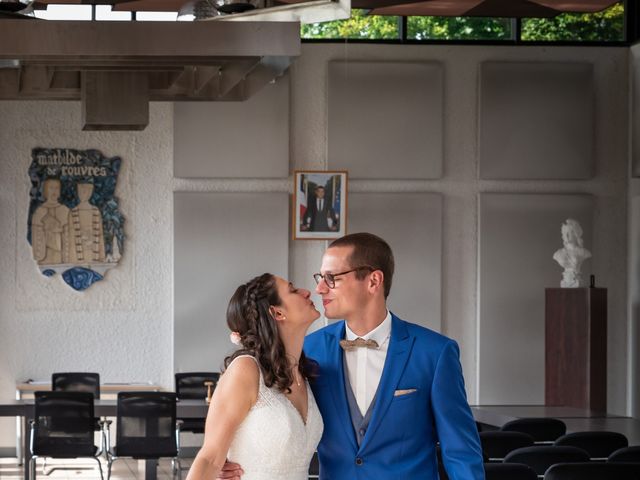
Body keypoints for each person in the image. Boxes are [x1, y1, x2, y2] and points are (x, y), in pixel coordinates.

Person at [220, 233, 484, 480]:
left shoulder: (435, 353)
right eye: (320, 278)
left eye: (332, 278)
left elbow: (460, 452)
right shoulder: (307, 350)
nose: (320, 289)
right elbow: (262, 405)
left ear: (373, 281)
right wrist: (224, 459)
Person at [186, 273, 324, 480]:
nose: (307, 292)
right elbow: (210, 458)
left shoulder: (303, 373)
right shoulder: (246, 370)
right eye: (294, 290)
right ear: (277, 312)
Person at [31, 178, 70, 265]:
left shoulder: (64, 210)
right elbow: (36, 235)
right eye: (51, 188)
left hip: (61, 254)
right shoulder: (39, 211)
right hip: (45, 254)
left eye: (57, 188)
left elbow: (68, 235)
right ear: (45, 190)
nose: (54, 191)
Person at [68, 183, 106, 264]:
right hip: (77, 257)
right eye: (80, 191)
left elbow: (100, 235)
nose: (82, 194)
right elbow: (71, 237)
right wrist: (72, 258)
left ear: (90, 192)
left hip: (93, 255)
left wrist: (101, 256)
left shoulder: (95, 211)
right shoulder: (73, 212)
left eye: (85, 191)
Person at [553, 218, 591, 288]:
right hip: (565, 280)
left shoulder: (583, 252)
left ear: (576, 234)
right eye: (564, 232)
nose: (566, 235)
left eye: (569, 232)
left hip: (576, 279)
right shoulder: (558, 253)